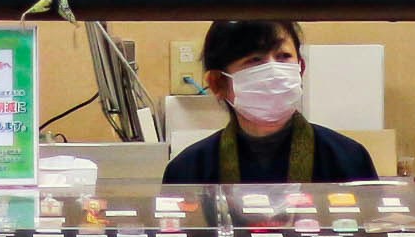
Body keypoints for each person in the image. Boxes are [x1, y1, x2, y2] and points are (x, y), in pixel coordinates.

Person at [161, 17, 378, 185]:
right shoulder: (188, 171)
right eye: (255, 60)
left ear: (300, 69)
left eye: (283, 57)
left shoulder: (348, 159)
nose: (273, 70)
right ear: (218, 83)